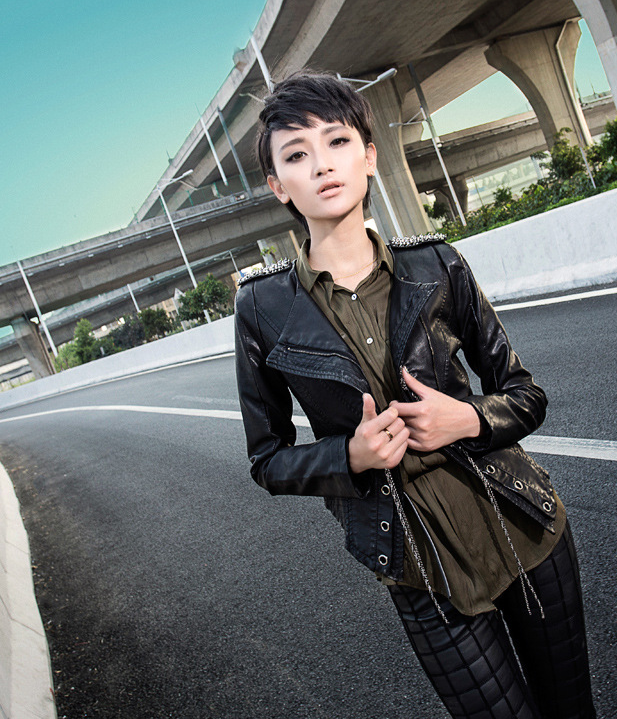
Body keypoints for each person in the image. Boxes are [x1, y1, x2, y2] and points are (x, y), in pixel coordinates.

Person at [234, 70, 596, 719]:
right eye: (296, 154)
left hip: (524, 524)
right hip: (417, 563)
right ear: (278, 185)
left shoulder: (438, 264)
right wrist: (350, 456)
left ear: (369, 156)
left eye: (337, 142)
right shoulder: (261, 308)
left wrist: (468, 419)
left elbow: (525, 394)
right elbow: (268, 460)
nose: (321, 165)